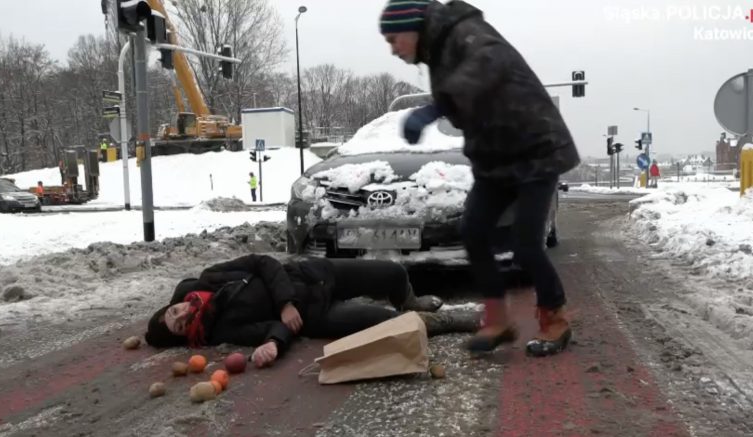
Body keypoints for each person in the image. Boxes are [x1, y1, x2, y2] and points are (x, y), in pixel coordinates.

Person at [380, 0, 580, 357]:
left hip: (534, 149)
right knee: (473, 230)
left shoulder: (465, 32)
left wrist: (434, 108)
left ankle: (556, 317)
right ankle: (497, 320)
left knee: (526, 244)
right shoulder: (438, 53)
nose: (393, 50)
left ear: (413, 27)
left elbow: (488, 66)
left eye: (394, 39)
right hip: (496, 160)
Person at [145, 255, 477, 367]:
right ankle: (451, 321)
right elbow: (268, 331)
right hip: (316, 317)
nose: (180, 316)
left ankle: (411, 300)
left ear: (173, 304)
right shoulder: (219, 330)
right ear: (184, 335)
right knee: (390, 324)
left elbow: (264, 263)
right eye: (177, 326)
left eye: (172, 312)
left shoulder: (210, 278)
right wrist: (274, 342)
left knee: (393, 272)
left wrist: (284, 302)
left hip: (314, 274)